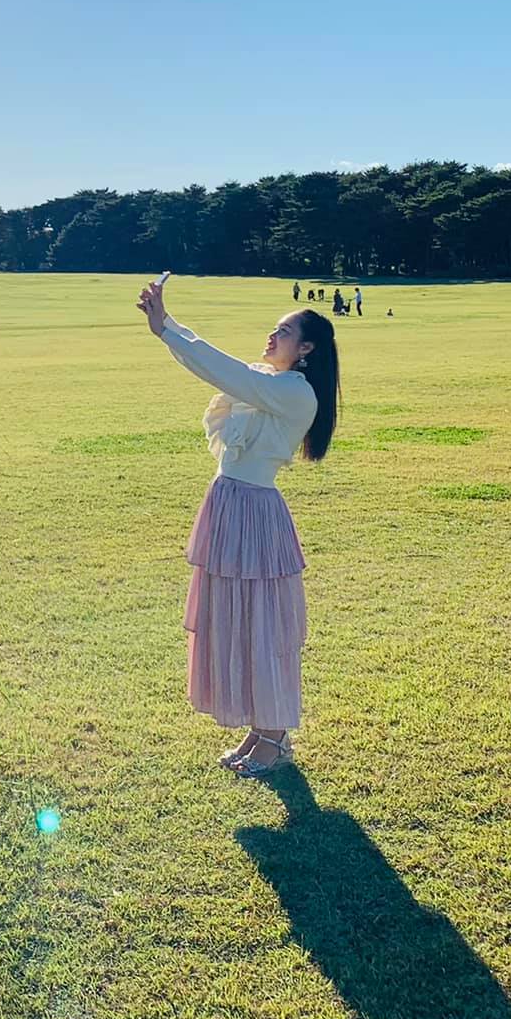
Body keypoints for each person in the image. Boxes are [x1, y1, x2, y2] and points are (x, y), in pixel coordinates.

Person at [137, 276, 340, 778]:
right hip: (228, 504)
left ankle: (274, 735)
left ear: (306, 349)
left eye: (284, 331)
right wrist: (167, 325)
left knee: (261, 624)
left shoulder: (294, 392)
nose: (272, 335)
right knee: (236, 619)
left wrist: (166, 329)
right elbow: (225, 371)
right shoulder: (268, 383)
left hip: (253, 511)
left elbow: (222, 369)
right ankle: (260, 728)